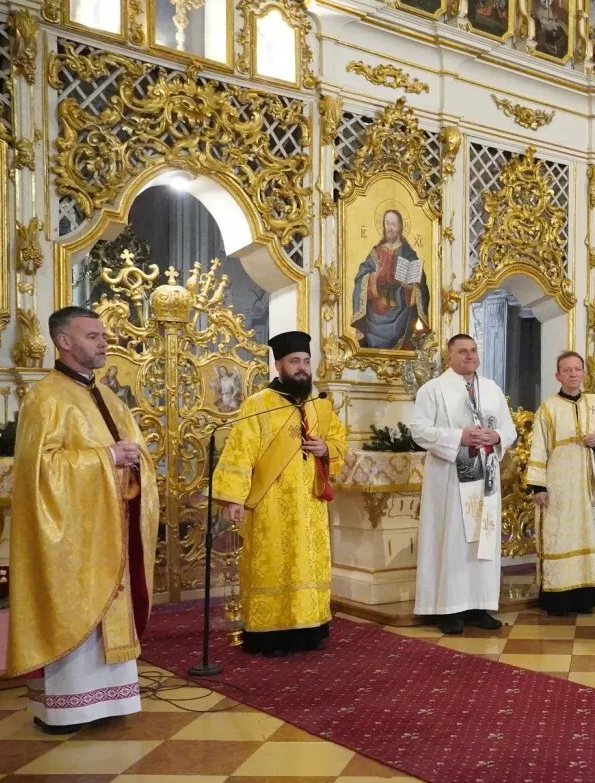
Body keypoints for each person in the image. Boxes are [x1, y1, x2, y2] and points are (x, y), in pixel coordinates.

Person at [9, 307, 159, 733]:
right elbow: (41, 472)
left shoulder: (109, 398)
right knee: (74, 607)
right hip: (72, 538)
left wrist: (134, 465)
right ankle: (67, 710)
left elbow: (136, 453)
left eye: (103, 335)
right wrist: (106, 458)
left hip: (110, 528)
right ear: (64, 341)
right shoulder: (46, 398)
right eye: (92, 335)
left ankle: (110, 701)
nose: (103, 341)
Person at [214, 331, 347, 656]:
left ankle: (310, 629)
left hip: (310, 505)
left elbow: (339, 442)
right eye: (294, 361)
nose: (302, 367)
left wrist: (326, 448)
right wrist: (233, 498)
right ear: (279, 366)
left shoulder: (319, 406)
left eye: (305, 361)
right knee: (272, 564)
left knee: (308, 565)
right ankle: (268, 635)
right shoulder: (258, 405)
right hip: (270, 504)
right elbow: (240, 452)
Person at [413, 334, 517, 633]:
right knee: (454, 540)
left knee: (483, 538)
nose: (470, 356)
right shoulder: (432, 389)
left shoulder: (492, 389)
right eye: (462, 352)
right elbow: (419, 431)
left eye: (473, 350)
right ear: (450, 356)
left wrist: (496, 436)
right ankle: (449, 609)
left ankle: (479, 606)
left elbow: (508, 428)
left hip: (485, 474)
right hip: (449, 477)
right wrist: (459, 436)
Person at [527, 352, 595, 616]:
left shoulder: (594, 403)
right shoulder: (548, 408)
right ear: (558, 376)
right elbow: (538, 447)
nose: (573, 374)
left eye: (577, 369)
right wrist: (539, 487)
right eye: (567, 370)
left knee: (585, 533)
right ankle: (558, 599)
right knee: (558, 536)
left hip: (585, 484)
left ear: (584, 373)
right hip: (558, 484)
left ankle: (584, 598)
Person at [351, 209, 429, 349]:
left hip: (401, 311)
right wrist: (373, 277)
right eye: (387, 223)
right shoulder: (376, 252)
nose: (390, 228)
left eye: (393, 224)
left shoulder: (409, 254)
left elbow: (420, 286)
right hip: (376, 312)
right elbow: (360, 278)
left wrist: (411, 287)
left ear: (400, 227)